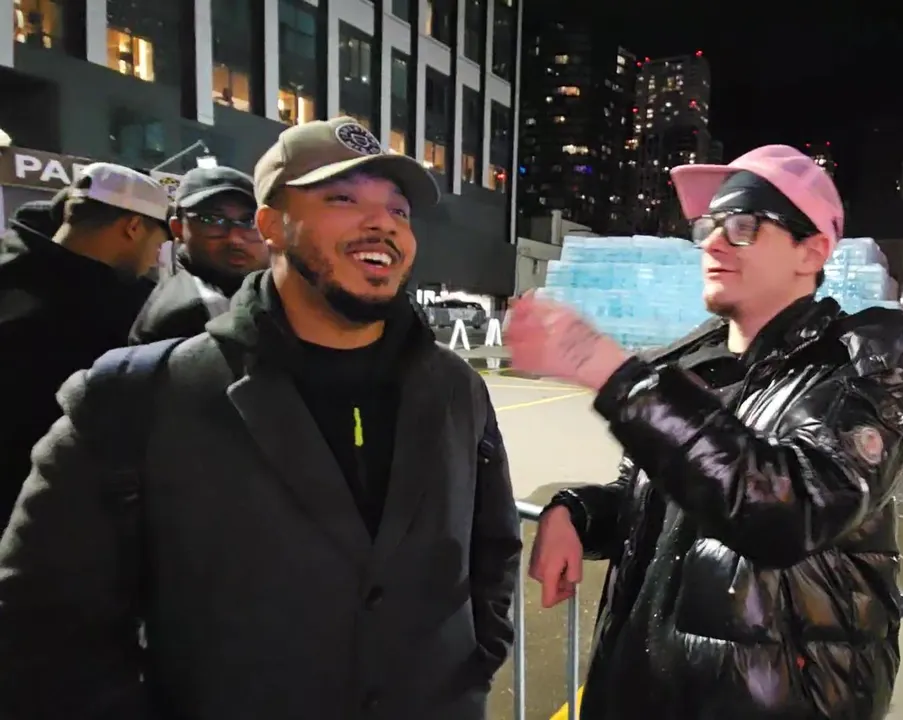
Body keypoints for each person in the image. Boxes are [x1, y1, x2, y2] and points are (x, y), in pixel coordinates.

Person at [0, 117, 521, 718]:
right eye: (342, 199)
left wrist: (475, 664)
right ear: (271, 224)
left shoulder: (456, 388)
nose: (382, 223)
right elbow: (44, 626)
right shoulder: (135, 395)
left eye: (398, 210)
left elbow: (493, 544)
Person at [513, 145, 903, 720]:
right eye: (709, 227)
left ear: (812, 250)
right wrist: (577, 513)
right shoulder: (694, 368)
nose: (714, 243)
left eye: (743, 226)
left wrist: (614, 375)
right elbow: (667, 508)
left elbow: (789, 509)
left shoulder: (863, 363)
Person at [0, 165, 168, 524]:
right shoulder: (122, 308)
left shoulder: (12, 269)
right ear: (133, 227)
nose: (157, 257)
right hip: (54, 512)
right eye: (158, 243)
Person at [130, 166, 267, 343]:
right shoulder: (192, 314)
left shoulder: (231, 289)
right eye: (211, 220)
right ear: (178, 228)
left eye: (249, 221)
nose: (234, 238)